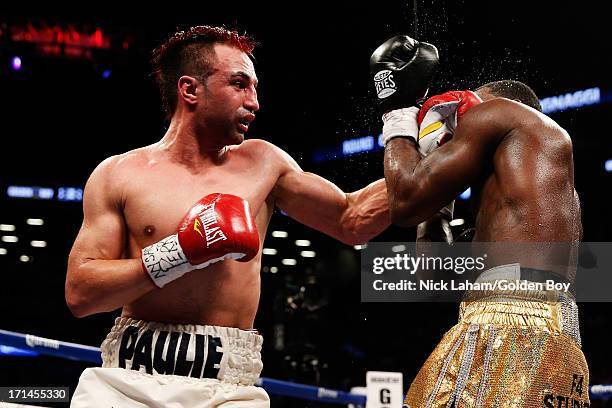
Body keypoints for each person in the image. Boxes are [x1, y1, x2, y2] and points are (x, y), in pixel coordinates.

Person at [66, 25, 390, 407]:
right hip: (128, 381)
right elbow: (81, 293)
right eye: (239, 84)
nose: (254, 102)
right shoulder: (119, 173)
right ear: (190, 90)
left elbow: (352, 219)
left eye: (255, 87)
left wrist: (435, 147)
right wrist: (180, 252)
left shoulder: (263, 164)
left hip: (227, 389)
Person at [370, 35, 589, 407]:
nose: (462, 127)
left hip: (507, 323)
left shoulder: (500, 112)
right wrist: (439, 200)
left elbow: (403, 203)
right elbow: (431, 275)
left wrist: (397, 113)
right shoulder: (541, 199)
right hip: (557, 329)